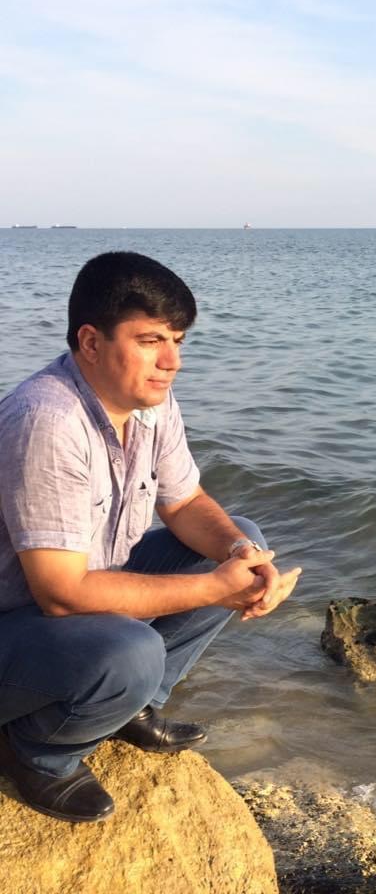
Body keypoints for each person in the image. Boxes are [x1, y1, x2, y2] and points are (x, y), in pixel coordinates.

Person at [0, 251, 301, 823]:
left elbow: (184, 503)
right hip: (13, 620)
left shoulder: (149, 406)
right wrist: (215, 590)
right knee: (131, 651)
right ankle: (36, 750)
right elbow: (60, 594)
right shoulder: (47, 421)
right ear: (91, 342)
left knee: (241, 537)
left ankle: (130, 708)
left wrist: (240, 557)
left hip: (64, 607)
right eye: (151, 341)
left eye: (178, 341)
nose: (171, 362)